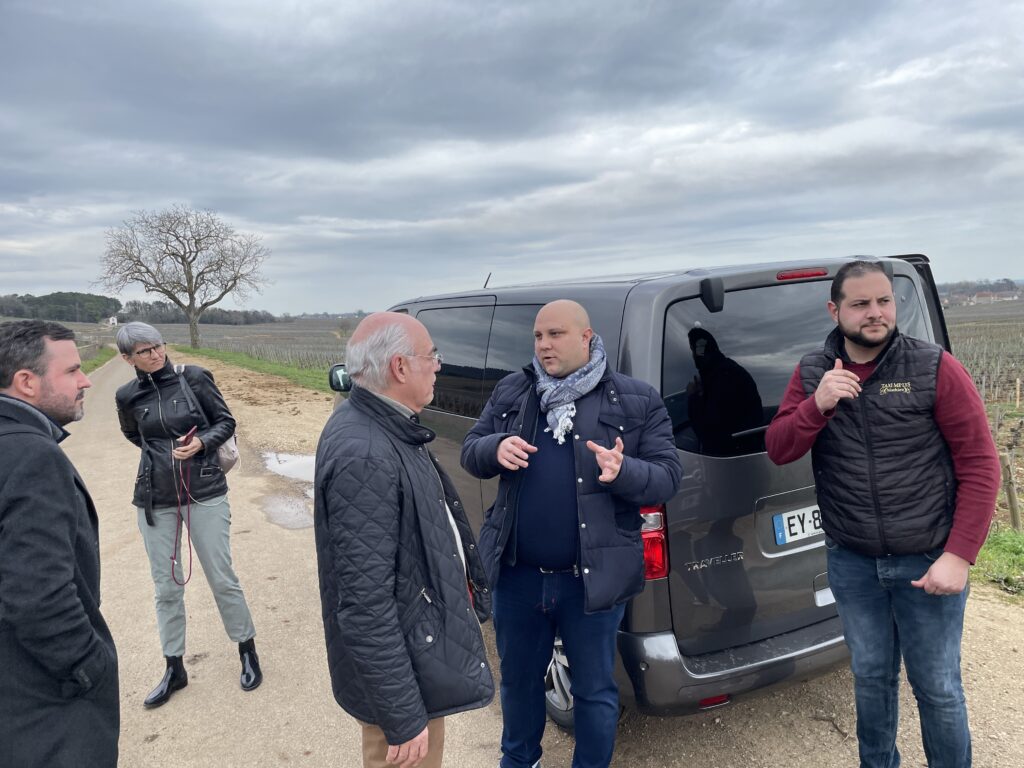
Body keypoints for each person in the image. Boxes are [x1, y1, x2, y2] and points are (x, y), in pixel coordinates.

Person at [766, 261, 1000, 768]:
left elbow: (981, 466)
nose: (876, 313)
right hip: (853, 563)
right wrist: (818, 406)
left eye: (884, 301)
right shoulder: (813, 372)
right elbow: (779, 448)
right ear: (835, 310)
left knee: (937, 687)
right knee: (871, 678)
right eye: (860, 303)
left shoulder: (933, 367)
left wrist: (959, 555)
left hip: (927, 560)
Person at [462, 300, 682, 768]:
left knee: (594, 690)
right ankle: (520, 762)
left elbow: (668, 476)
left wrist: (625, 472)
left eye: (555, 334)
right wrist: (493, 447)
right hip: (519, 577)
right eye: (538, 336)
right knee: (519, 684)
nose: (543, 345)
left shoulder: (636, 399)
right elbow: (470, 451)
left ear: (586, 337)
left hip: (592, 580)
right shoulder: (514, 392)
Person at [314, 312, 494, 768]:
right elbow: (364, 604)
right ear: (399, 367)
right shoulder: (367, 452)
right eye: (431, 355)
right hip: (405, 678)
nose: (438, 365)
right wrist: (402, 714)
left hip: (419, 656)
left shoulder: (384, 425)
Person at [114, 321, 261, 708]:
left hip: (205, 490)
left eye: (158, 345)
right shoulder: (126, 395)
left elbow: (226, 422)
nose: (155, 354)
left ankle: (246, 649)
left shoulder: (194, 378)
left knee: (221, 576)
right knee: (166, 586)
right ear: (127, 358)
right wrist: (162, 457)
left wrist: (200, 444)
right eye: (144, 351)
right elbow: (135, 436)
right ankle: (174, 667)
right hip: (154, 497)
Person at [0, 320, 119, 767]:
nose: (87, 379)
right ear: (27, 382)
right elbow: (37, 596)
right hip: (42, 704)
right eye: (72, 371)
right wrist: (89, 667)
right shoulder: (32, 455)